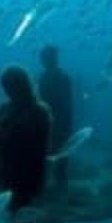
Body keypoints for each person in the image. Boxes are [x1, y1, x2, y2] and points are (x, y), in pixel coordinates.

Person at [0, 66, 51, 223]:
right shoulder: (4, 108)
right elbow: (0, 139)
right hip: (5, 168)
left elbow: (38, 146)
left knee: (20, 211)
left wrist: (5, 139)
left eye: (11, 86)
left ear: (22, 85)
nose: (8, 91)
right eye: (5, 87)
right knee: (16, 211)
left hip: (26, 171)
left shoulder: (39, 111)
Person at [38, 45, 73, 191]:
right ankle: (50, 187)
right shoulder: (44, 77)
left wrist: (66, 126)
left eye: (45, 57)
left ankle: (59, 188)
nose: (43, 61)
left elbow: (68, 105)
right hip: (47, 123)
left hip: (57, 123)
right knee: (47, 156)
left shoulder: (62, 78)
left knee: (59, 157)